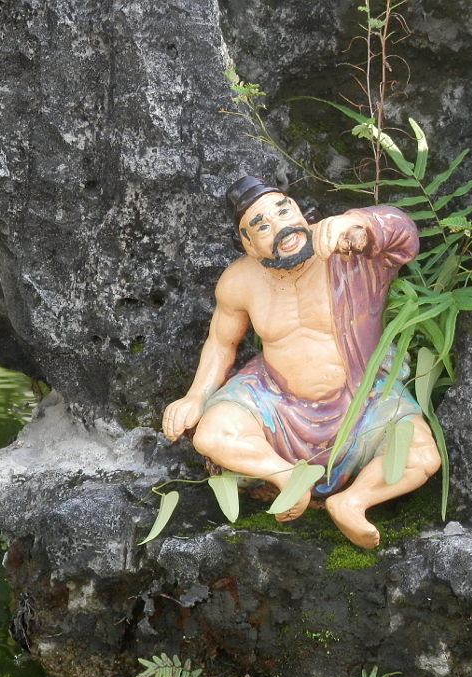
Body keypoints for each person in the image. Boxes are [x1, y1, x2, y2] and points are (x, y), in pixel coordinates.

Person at [162, 176, 440, 548]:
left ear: (300, 210)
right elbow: (221, 344)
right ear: (246, 244)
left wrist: (358, 223)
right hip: (274, 400)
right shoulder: (239, 281)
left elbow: (403, 232)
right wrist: (196, 397)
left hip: (359, 398)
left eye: (284, 210)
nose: (281, 226)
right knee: (212, 435)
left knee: (422, 454)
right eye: (262, 225)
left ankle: (352, 503)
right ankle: (286, 475)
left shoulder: (347, 253)